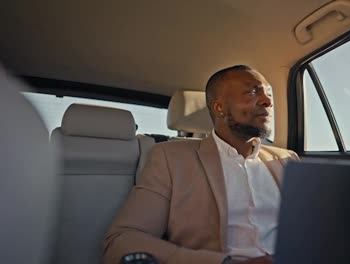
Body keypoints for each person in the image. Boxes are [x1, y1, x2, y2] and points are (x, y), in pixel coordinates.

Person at [103, 65, 299, 264]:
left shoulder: (287, 159)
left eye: (268, 94)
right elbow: (122, 240)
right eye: (251, 92)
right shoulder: (170, 158)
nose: (268, 101)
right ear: (219, 108)